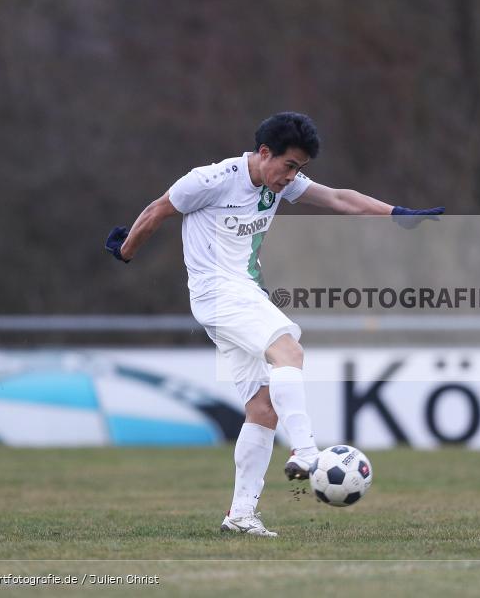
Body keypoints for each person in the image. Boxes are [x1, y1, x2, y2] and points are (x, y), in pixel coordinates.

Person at [105, 112, 443, 537]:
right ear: (264, 153)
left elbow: (338, 199)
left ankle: (241, 515)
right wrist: (127, 250)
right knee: (290, 350)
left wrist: (395, 212)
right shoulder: (210, 179)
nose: (293, 177)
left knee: (262, 409)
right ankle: (305, 452)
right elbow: (158, 209)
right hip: (219, 292)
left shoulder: (280, 182)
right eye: (289, 166)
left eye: (299, 169)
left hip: (239, 296)